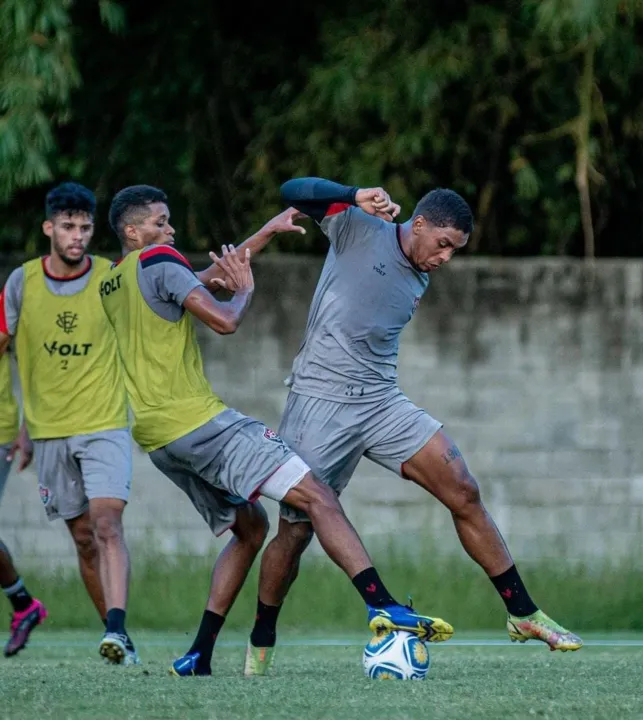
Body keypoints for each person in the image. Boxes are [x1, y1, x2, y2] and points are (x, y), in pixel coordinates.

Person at [100, 184, 452, 678]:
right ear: (133, 231)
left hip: (160, 440)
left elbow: (203, 278)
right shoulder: (159, 258)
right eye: (160, 222)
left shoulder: (117, 279)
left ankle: (199, 653)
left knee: (251, 529)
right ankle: (383, 606)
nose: (170, 230)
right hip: (201, 424)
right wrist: (245, 292)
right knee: (318, 496)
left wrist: (264, 234)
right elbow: (224, 317)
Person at [240, 177, 584, 676]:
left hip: (381, 401)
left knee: (463, 489)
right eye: (443, 244)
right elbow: (293, 188)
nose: (446, 258)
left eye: (455, 251)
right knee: (295, 534)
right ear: (418, 224)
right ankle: (260, 645)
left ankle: (522, 613)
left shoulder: (420, 271)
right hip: (319, 401)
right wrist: (355, 193)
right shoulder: (359, 227)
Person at [0, 182, 139, 665]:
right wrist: (19, 426)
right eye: (68, 227)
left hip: (104, 422)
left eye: (84, 227)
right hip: (48, 432)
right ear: (49, 229)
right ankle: (117, 637)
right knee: (83, 539)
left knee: (107, 523)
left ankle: (118, 631)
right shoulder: (21, 283)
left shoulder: (109, 276)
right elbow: (8, 350)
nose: (77, 236)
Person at [0, 351, 46, 657]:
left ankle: (23, 603)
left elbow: (38, 355)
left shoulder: (7, 303)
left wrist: (28, 427)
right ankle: (23, 603)